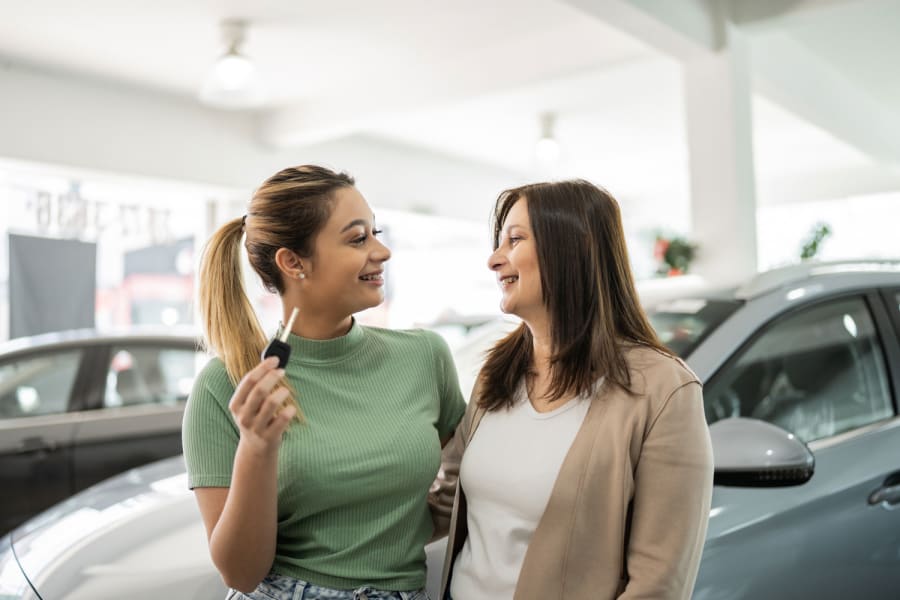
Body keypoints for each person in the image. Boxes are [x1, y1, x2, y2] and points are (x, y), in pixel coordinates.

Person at [182, 165, 466, 600]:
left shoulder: (426, 357)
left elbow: (467, 479)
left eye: (376, 232)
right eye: (358, 238)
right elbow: (240, 573)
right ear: (293, 262)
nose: (382, 251)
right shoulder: (225, 386)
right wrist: (257, 447)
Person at [437, 179, 714, 599]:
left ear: (574, 249)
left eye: (514, 240)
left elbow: (658, 586)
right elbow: (444, 505)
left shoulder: (664, 391)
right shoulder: (496, 375)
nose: (495, 260)